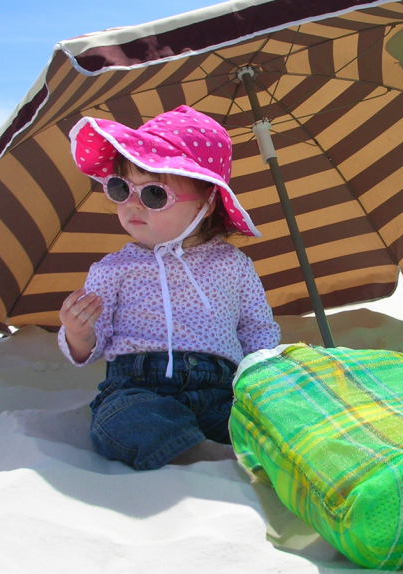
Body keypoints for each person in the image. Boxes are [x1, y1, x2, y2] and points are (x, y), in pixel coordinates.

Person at [58, 105, 280, 471]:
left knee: (265, 422)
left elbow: (256, 329)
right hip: (139, 385)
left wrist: (265, 380)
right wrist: (79, 333)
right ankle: (203, 455)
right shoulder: (113, 269)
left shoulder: (233, 264)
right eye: (120, 188)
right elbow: (95, 342)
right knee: (122, 420)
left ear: (207, 202)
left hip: (222, 389)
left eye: (154, 195)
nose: (132, 204)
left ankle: (227, 447)